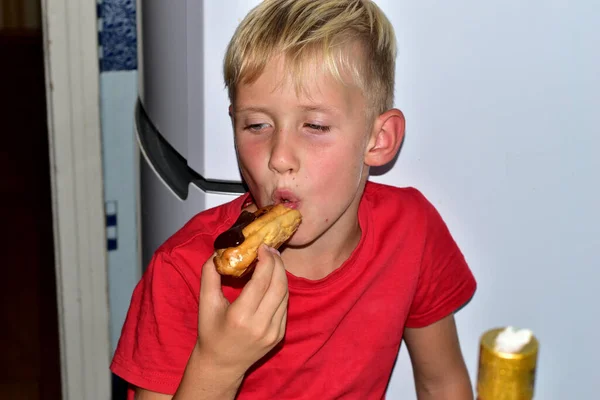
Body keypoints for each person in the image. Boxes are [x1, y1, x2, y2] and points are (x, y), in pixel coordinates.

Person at [110, 0, 477, 398]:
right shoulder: (185, 273)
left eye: (315, 125)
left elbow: (443, 382)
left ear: (379, 139)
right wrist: (220, 362)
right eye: (257, 125)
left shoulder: (410, 231)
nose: (279, 157)